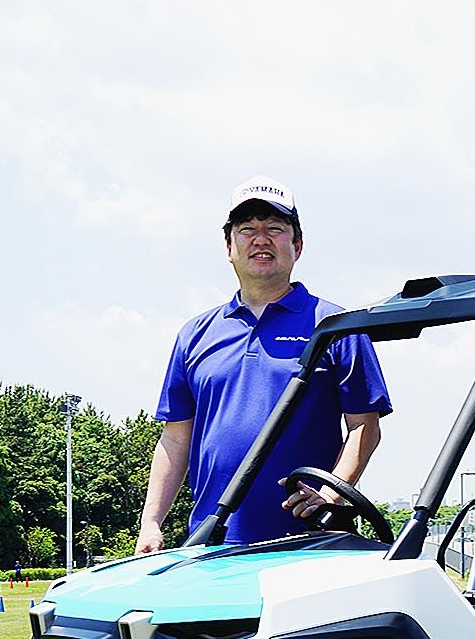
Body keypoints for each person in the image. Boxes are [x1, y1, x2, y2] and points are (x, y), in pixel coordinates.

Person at [138, 179, 391, 552]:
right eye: (247, 230)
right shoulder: (195, 334)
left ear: (297, 246)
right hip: (212, 540)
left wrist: (330, 495)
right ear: (229, 247)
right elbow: (176, 438)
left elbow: (364, 428)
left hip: (310, 541)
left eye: (274, 229)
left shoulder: (338, 327)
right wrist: (150, 523)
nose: (261, 239)